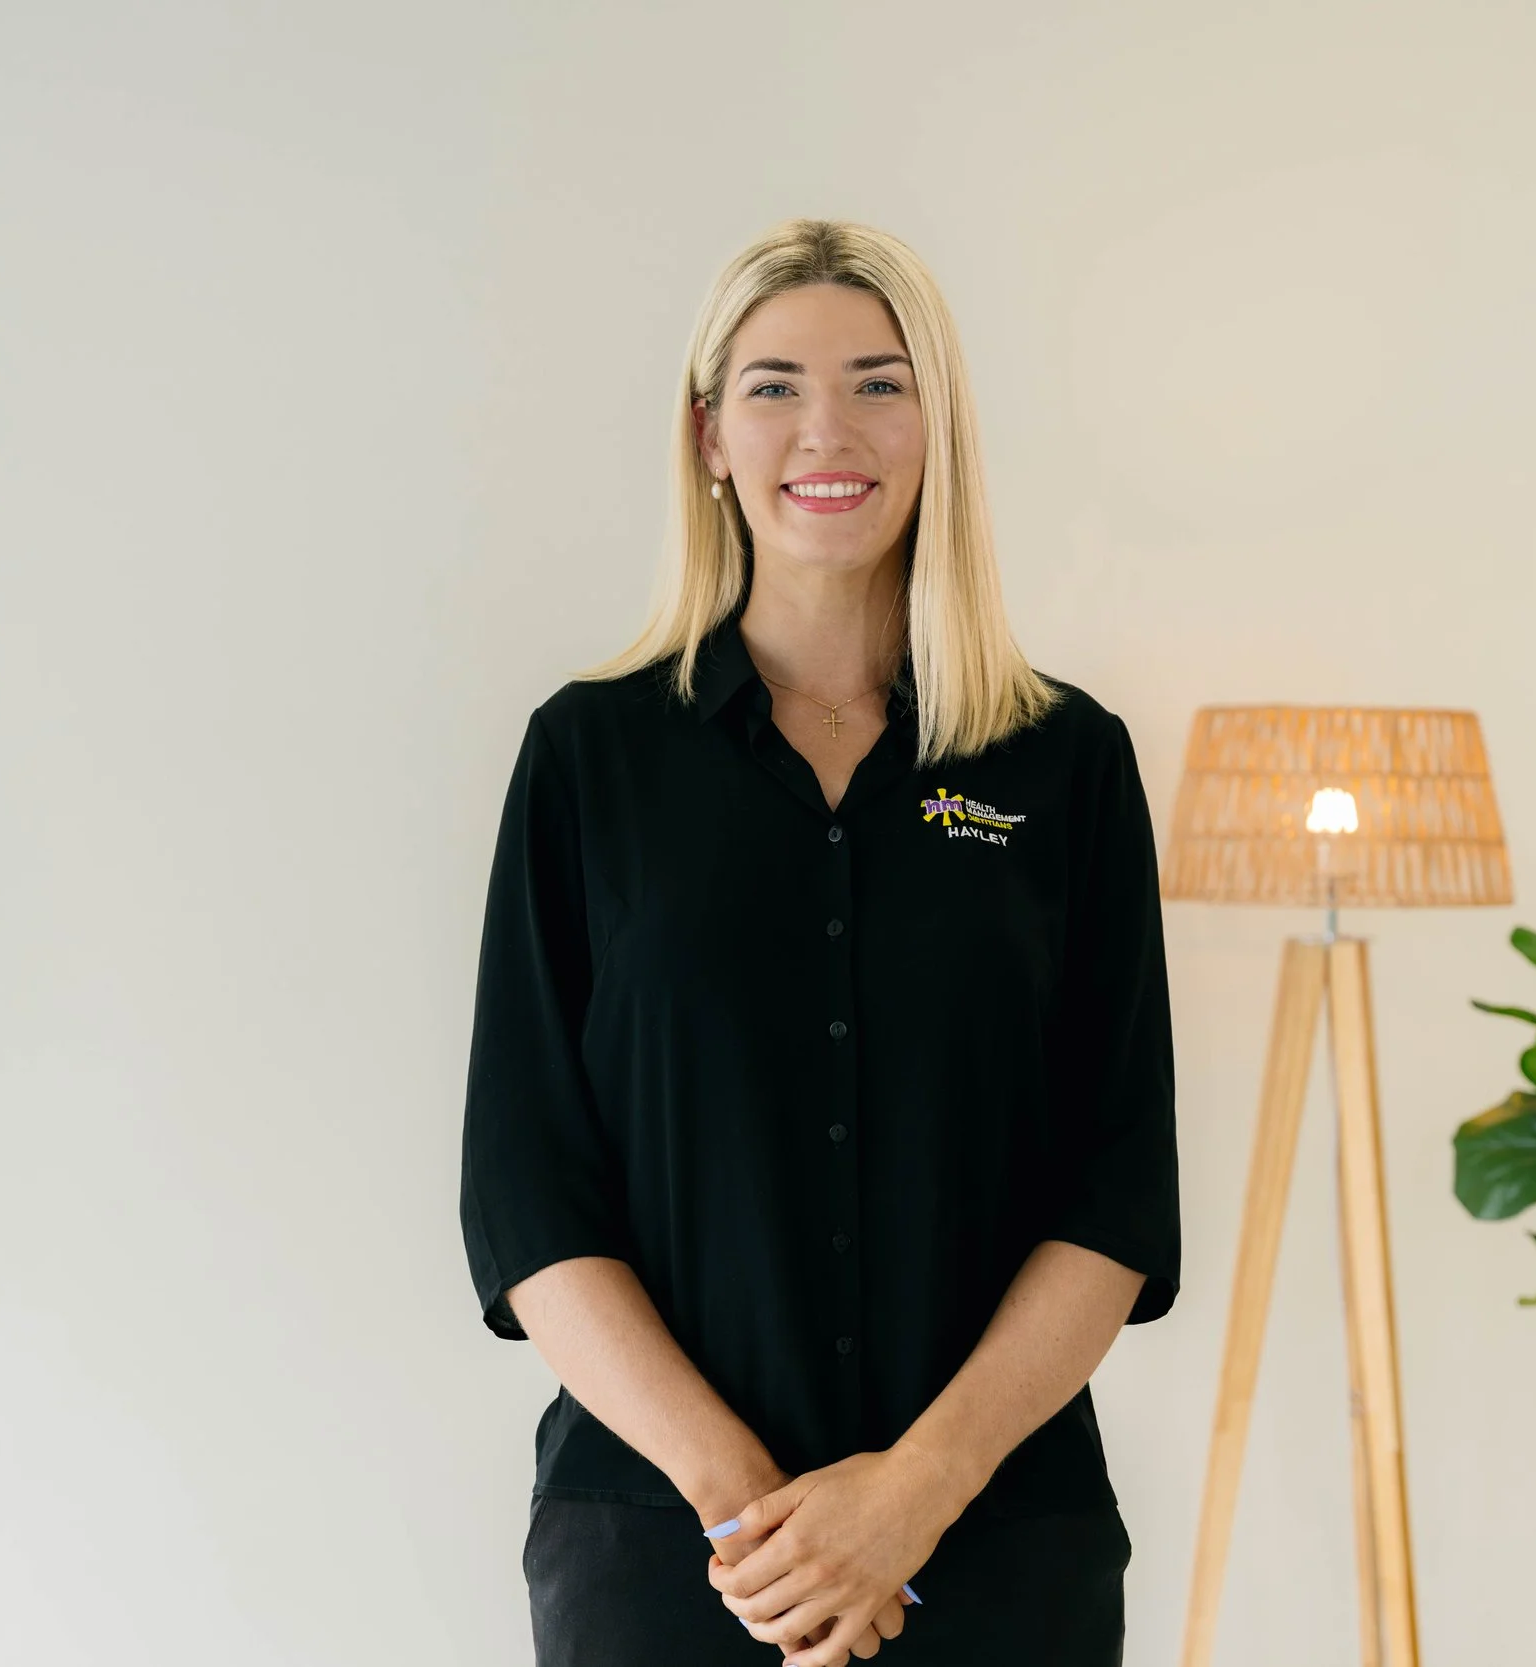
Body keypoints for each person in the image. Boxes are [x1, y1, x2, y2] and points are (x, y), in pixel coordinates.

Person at [459, 217, 1181, 1667]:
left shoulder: (1068, 764)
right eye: (774, 385)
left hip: (998, 1549)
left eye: (878, 383)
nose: (826, 430)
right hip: (666, 1554)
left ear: (937, 425)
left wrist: (915, 1494)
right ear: (710, 435)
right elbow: (529, 1197)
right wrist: (757, 1516)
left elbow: (1115, 1193)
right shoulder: (588, 760)